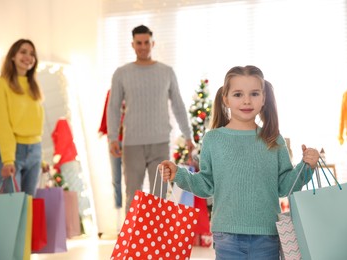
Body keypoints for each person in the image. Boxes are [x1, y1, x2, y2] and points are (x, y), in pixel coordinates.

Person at [159, 65, 320, 260]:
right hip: (227, 236)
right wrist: (179, 174)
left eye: (254, 93)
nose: (246, 100)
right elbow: (206, 184)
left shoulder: (273, 138)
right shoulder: (214, 139)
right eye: (238, 94)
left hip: (267, 235)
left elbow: (285, 186)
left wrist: (306, 167)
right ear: (225, 98)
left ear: (263, 98)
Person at [107, 25, 194, 214]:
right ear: (133, 44)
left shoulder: (166, 71)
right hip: (132, 144)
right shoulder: (121, 73)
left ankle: (157, 242)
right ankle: (132, 242)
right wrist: (112, 137)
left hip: (160, 143)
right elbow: (113, 107)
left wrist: (188, 136)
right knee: (133, 195)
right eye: (139, 43)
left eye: (147, 42)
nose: (143, 46)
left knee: (159, 196)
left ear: (152, 43)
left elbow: (178, 106)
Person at [0, 39, 48, 196]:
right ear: (12, 56)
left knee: (28, 208)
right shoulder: (1, 84)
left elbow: (35, 128)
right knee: (12, 208)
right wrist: (8, 159)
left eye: (32, 54)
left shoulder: (34, 87)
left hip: (35, 151)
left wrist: (41, 159)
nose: (28, 57)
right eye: (23, 52)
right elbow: (2, 123)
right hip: (14, 151)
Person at [99, 89, 125, 209]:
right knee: (116, 176)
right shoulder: (110, 92)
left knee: (132, 175)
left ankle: (134, 206)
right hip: (114, 139)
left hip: (129, 140)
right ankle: (118, 206)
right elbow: (106, 112)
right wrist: (104, 129)